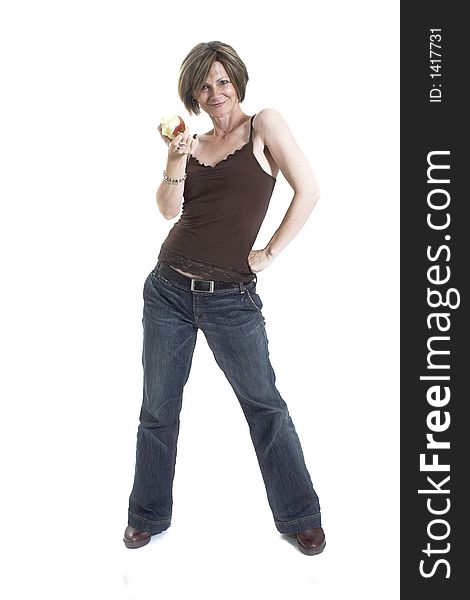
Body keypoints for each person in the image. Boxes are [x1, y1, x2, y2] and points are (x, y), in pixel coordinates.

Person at [123, 41, 325, 556]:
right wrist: (173, 160)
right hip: (167, 289)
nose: (214, 94)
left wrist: (270, 253)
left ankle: (299, 516)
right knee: (157, 409)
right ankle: (147, 514)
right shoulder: (193, 143)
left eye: (221, 82)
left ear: (236, 79)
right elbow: (168, 210)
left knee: (265, 407)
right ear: (192, 94)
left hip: (231, 297)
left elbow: (309, 189)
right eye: (203, 86)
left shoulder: (264, 126)